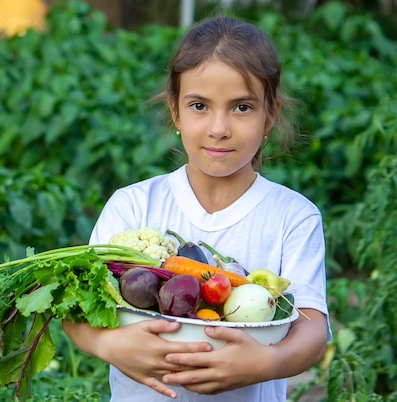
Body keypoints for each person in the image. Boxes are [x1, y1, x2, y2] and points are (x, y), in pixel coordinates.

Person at [62, 16, 331, 402]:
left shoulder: (293, 216)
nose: (218, 128)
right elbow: (76, 306)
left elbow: (312, 330)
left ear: (269, 115)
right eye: (199, 105)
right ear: (175, 111)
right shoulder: (134, 205)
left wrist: (267, 365)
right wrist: (110, 347)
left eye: (241, 107)